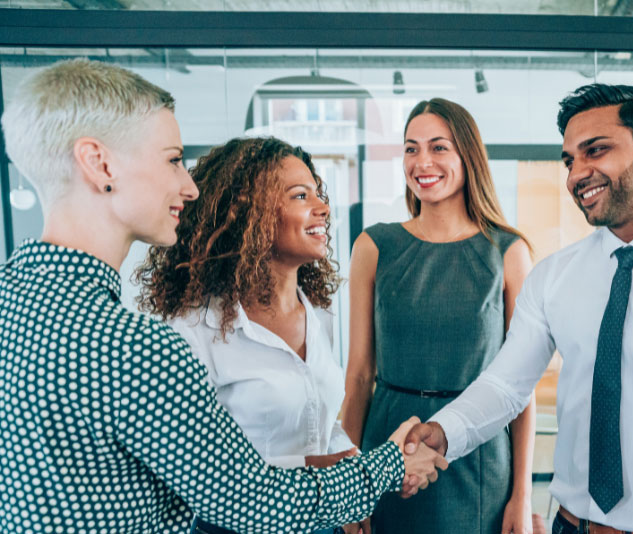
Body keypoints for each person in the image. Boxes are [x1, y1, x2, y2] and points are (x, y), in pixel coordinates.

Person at [0, 58, 445, 534]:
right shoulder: (137, 348)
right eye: (172, 159)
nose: (188, 187)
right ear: (99, 163)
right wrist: (389, 467)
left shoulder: (14, 305)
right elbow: (253, 502)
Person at [404, 84, 633, 534]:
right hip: (572, 524)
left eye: (595, 151)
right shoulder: (554, 276)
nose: (577, 174)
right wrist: (443, 431)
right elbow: (507, 386)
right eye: (569, 160)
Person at [135, 137, 368, 534]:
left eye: (318, 192)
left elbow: (322, 420)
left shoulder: (317, 311)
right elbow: (196, 472)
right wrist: (320, 472)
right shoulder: (192, 329)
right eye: (300, 195)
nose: (323, 208)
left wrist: (348, 474)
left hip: (321, 522)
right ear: (249, 215)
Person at [340, 97, 536, 534]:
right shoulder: (374, 247)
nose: (422, 161)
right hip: (387, 451)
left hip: (478, 458)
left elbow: (520, 391)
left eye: (438, 147)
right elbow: (357, 379)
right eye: (411, 148)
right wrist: (349, 490)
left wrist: (521, 498)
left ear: (468, 155)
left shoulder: (509, 253)